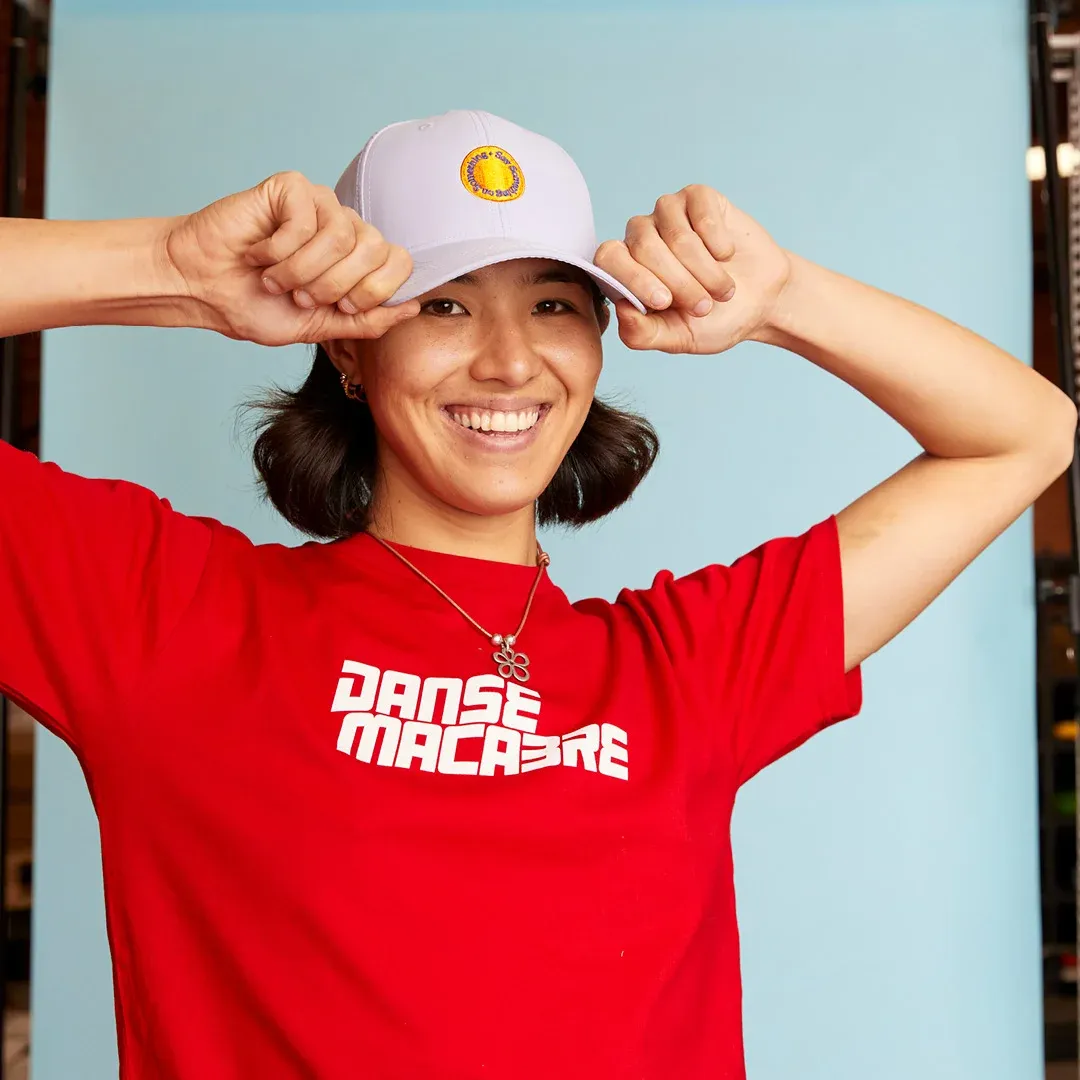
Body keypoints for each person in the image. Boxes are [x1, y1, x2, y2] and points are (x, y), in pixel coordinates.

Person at [0, 109, 1072, 1079]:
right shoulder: (166, 620)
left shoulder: (686, 666)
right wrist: (171, 270)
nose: (510, 362)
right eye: (446, 304)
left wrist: (786, 299)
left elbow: (1025, 434)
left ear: (597, 346)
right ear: (349, 349)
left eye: (553, 304)